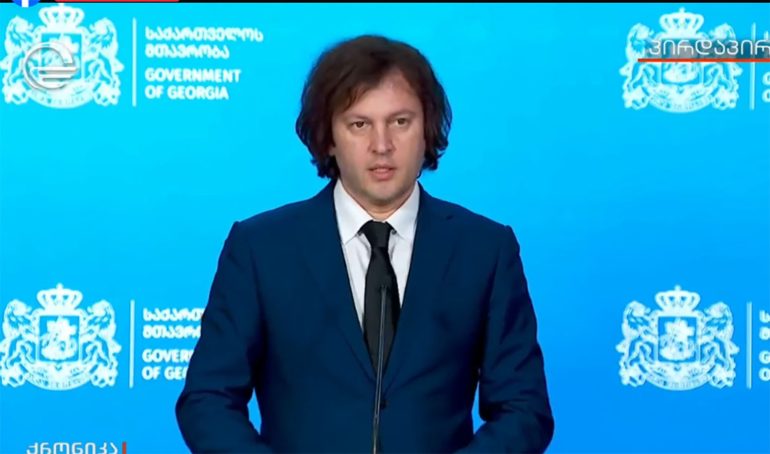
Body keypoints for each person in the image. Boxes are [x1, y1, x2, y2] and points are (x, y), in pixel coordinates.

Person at [176, 34, 554, 453]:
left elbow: (524, 410)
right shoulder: (260, 249)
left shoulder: (484, 249)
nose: (382, 146)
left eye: (400, 122)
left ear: (427, 129)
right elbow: (207, 400)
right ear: (329, 137)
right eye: (360, 124)